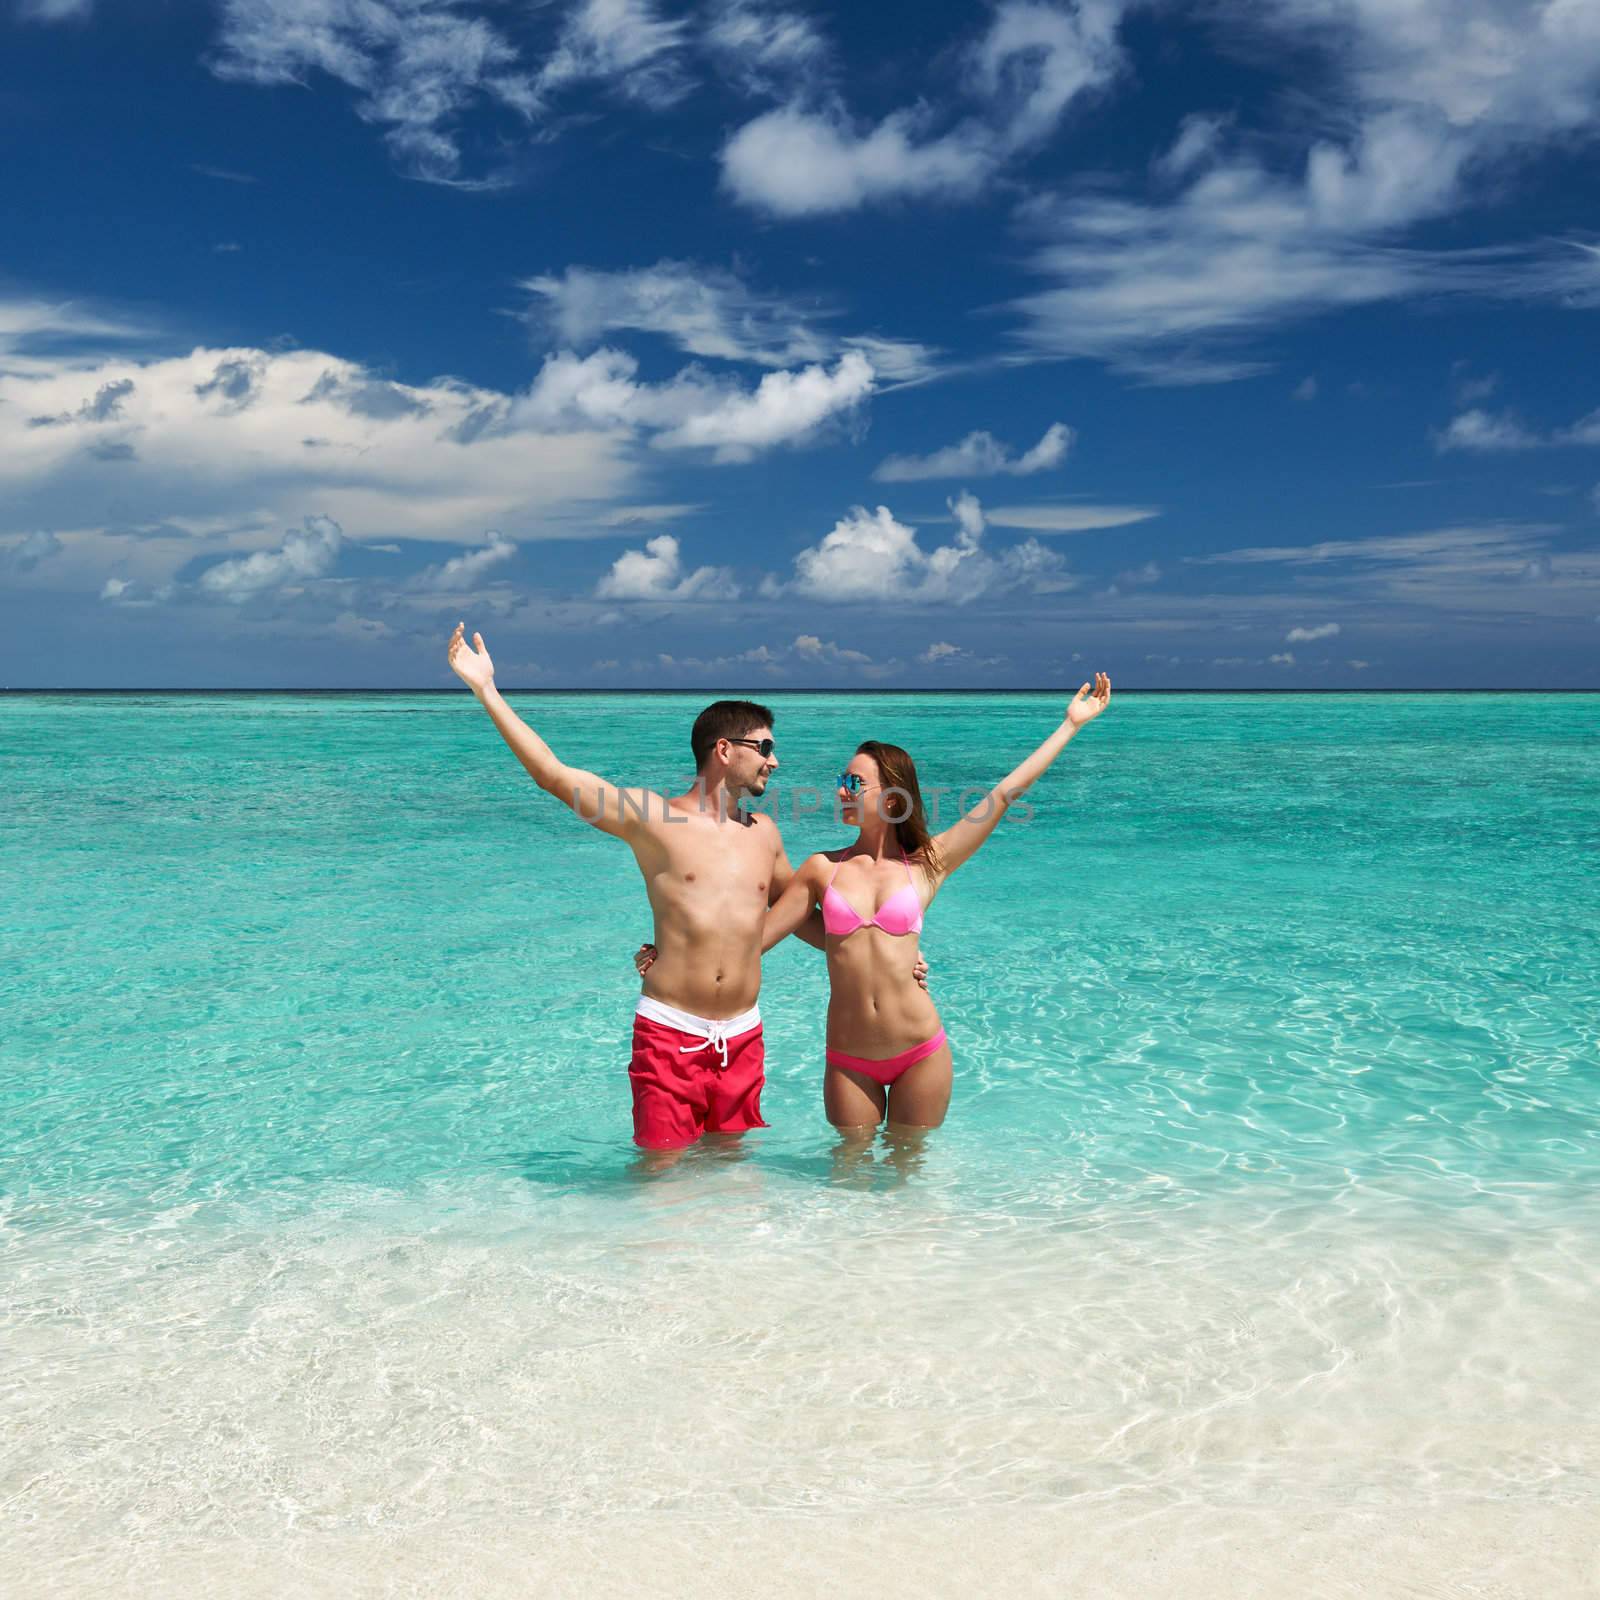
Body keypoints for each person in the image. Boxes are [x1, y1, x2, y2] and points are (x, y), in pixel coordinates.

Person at [445, 623, 924, 1153]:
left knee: (732, 1175)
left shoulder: (764, 834)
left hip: (744, 1036)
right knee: (663, 1178)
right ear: (725, 749)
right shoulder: (653, 818)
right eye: (764, 747)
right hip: (670, 1030)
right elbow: (554, 775)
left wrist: (886, 953)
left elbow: (813, 914)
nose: (775, 760)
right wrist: (486, 690)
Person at [758, 675, 1112, 1135]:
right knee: (849, 1181)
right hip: (849, 1059)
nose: (841, 791)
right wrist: (673, 955)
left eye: (853, 782)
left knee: (911, 1184)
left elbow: (1003, 796)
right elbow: (755, 938)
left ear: (891, 795)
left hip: (920, 1051)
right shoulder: (822, 869)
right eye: (841, 781)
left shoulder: (927, 863)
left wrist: (1070, 725)